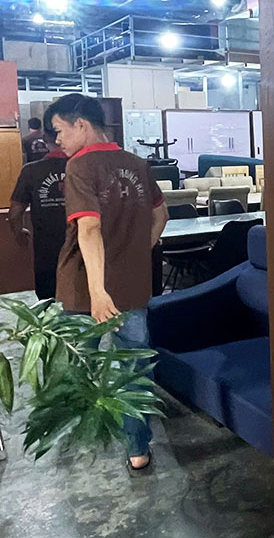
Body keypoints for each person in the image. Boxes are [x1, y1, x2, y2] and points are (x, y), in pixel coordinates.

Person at [45, 94, 169, 472]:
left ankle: (83, 434)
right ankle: (137, 449)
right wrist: (136, 253)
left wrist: (99, 291)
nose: (57, 141)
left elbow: (89, 227)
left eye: (59, 131)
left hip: (85, 290)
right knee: (135, 368)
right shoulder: (137, 163)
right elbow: (161, 215)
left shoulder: (80, 166)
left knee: (76, 363)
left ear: (81, 124)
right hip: (131, 288)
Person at [8, 128, 67, 300]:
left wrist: (19, 232)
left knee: (48, 304)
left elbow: (15, 212)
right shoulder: (84, 167)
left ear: (45, 140)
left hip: (46, 252)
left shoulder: (31, 171)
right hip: (82, 250)